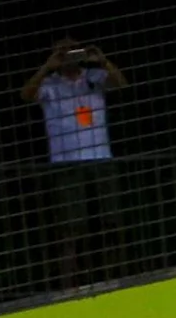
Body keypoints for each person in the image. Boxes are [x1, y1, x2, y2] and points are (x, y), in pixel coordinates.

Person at [25, 35, 126, 285]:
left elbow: (121, 84)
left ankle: (112, 277)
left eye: (73, 49)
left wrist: (102, 61)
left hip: (100, 158)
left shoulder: (94, 77)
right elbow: (26, 95)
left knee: (110, 221)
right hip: (66, 163)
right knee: (70, 227)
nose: (69, 55)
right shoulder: (50, 84)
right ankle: (69, 282)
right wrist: (48, 66)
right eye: (63, 51)